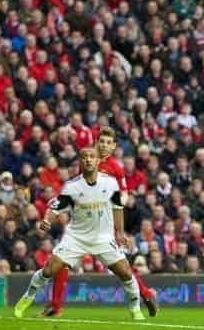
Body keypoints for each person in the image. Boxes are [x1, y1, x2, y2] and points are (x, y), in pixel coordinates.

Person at [14, 147, 144, 320]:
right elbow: (55, 207)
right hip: (76, 238)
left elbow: (118, 208)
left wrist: (120, 232)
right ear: (81, 163)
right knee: (49, 270)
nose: (89, 160)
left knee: (126, 273)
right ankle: (28, 296)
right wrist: (47, 220)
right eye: (85, 157)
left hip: (103, 238)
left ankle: (135, 309)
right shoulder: (73, 187)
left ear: (98, 161)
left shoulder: (110, 184)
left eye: (92, 157)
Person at [41, 126, 159, 317]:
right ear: (96, 143)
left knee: (120, 267)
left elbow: (122, 198)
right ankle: (55, 306)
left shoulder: (116, 168)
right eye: (101, 141)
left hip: (105, 222)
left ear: (113, 146)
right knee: (62, 262)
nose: (104, 145)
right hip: (83, 220)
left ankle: (145, 294)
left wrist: (119, 229)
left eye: (108, 143)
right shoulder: (87, 160)